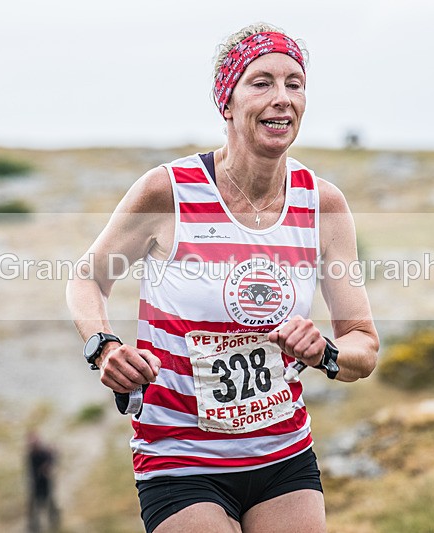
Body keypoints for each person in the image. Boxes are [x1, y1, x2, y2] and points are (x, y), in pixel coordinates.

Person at [67, 22, 379, 533]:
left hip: (283, 452)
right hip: (180, 457)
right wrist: (102, 345)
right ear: (226, 103)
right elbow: (87, 279)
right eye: (262, 83)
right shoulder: (168, 191)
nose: (282, 99)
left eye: (294, 84)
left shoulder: (322, 203)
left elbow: (363, 348)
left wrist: (323, 351)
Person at [26, 430, 60, 532]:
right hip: (35, 483)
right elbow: (30, 470)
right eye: (31, 443)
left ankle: (54, 520)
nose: (32, 445)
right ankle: (34, 526)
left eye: (34, 442)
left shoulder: (45, 452)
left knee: (50, 502)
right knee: (33, 506)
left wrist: (47, 467)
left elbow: (53, 459)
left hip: (46, 482)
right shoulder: (30, 454)